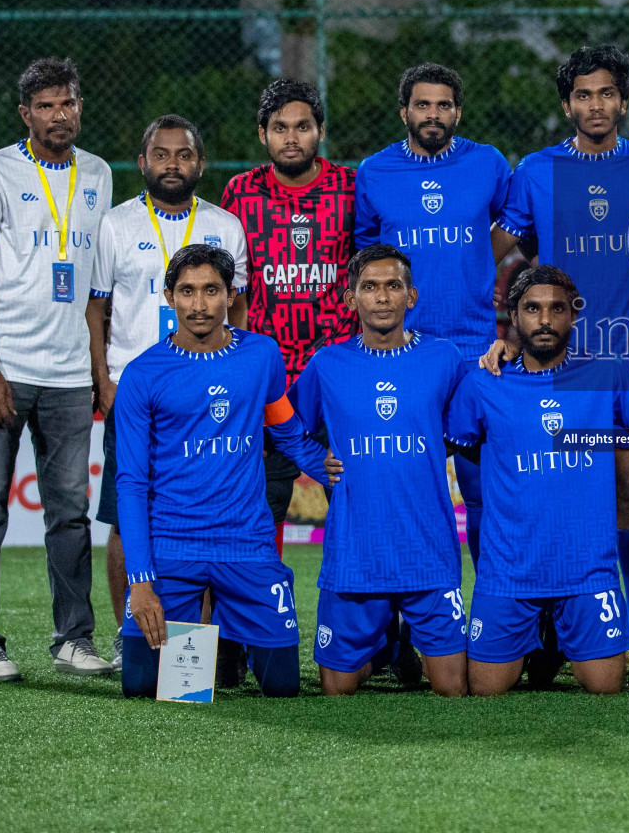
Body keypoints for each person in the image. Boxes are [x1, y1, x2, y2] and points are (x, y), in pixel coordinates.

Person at [490, 45, 629, 669]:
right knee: (548, 490)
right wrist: (502, 324)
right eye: (583, 95)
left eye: (606, 93)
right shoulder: (537, 169)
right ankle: (545, 628)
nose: (596, 105)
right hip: (556, 361)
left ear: (623, 100)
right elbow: (501, 249)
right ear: (567, 104)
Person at [0, 57, 114, 681]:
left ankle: (73, 637)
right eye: (45, 106)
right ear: (26, 114)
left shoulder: (98, 173)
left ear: (80, 106)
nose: (58, 115)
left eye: (67, 103)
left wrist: (99, 371)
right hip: (4, 369)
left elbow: (98, 285)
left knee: (68, 511)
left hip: (71, 373)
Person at [115, 244, 332, 699]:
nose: (199, 304)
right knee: (140, 686)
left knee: (282, 686)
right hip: (173, 547)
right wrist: (141, 582)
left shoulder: (262, 355)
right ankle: (206, 650)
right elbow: (131, 483)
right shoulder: (141, 375)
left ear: (231, 295)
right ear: (168, 296)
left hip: (247, 547)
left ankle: (233, 647)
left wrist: (337, 471)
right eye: (187, 291)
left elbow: (288, 434)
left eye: (211, 290)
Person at [87, 114, 248, 673]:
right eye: (161, 154)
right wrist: (104, 379)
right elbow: (97, 307)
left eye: (183, 155)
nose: (172, 164)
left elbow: (241, 310)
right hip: (136, 396)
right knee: (120, 514)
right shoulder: (114, 224)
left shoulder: (225, 226)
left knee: (201, 519)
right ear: (143, 163)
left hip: (207, 399)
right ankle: (124, 633)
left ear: (200, 164)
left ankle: (192, 650)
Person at [447, 265, 629, 696]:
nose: (544, 320)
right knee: (485, 691)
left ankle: (557, 636)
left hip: (588, 572)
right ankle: (541, 633)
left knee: (606, 688)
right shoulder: (485, 382)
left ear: (572, 315)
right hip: (508, 574)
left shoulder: (607, 375)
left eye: (556, 309)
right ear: (513, 315)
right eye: (533, 309)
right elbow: (464, 449)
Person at [291, 245, 469, 697]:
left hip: (427, 550)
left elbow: (468, 425)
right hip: (355, 554)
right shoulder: (327, 364)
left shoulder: (445, 358)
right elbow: (287, 422)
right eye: (369, 287)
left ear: (411, 296)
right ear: (351, 299)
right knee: (338, 690)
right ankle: (384, 645)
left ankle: (395, 641)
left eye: (393, 286)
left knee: (455, 688)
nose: (382, 297)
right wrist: (316, 462)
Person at [353, 63, 511, 566]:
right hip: (404, 355)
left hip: (474, 352)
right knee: (409, 496)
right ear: (404, 111)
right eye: (422, 104)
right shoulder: (375, 171)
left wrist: (477, 262)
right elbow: (365, 258)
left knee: (484, 491)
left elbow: (515, 228)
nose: (433, 114)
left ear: (458, 112)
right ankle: (407, 626)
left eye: (444, 105)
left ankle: (495, 611)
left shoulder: (488, 163)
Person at [220, 79, 356, 532]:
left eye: (302, 126)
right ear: (263, 134)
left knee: (355, 497)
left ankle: (361, 599)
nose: (291, 137)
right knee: (260, 510)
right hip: (267, 373)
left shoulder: (351, 189)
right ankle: (260, 604)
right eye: (280, 127)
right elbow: (231, 287)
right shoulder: (239, 193)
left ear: (320, 131)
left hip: (335, 369)